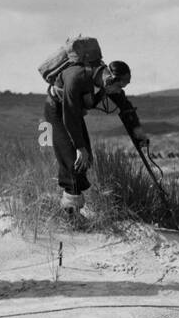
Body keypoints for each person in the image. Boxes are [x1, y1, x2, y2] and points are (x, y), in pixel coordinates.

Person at [43, 58, 149, 217]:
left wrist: (139, 135)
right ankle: (69, 216)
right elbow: (69, 116)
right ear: (111, 79)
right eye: (119, 86)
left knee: (86, 160)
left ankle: (73, 209)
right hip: (57, 110)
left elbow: (126, 108)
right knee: (73, 161)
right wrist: (79, 148)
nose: (119, 90)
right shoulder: (76, 78)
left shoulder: (107, 83)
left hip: (73, 113)